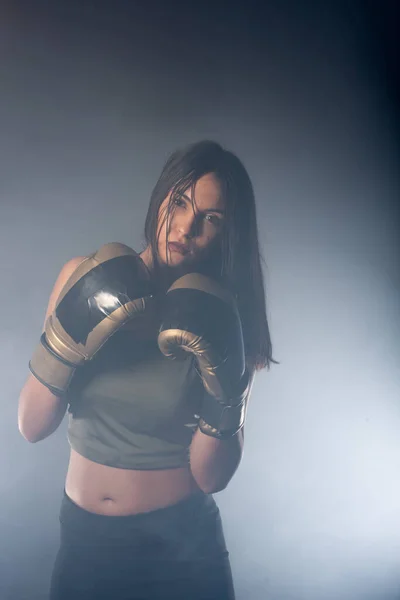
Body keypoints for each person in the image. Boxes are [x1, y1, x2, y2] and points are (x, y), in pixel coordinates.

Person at [18, 140, 275, 600]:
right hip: (86, 544)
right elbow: (32, 425)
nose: (186, 226)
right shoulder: (83, 276)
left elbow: (212, 478)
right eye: (180, 202)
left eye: (210, 219)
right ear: (161, 197)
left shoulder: (221, 316)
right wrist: (69, 336)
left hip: (183, 551)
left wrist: (226, 391)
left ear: (226, 232)